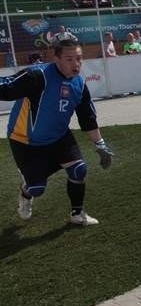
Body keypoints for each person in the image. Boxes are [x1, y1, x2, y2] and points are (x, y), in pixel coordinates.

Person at [0, 39, 115, 226]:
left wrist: (100, 145)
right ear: (56, 59)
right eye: (69, 59)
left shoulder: (79, 84)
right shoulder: (37, 76)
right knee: (36, 188)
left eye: (79, 58)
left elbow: (88, 118)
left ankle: (77, 214)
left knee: (79, 169)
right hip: (25, 141)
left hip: (59, 137)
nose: (76, 64)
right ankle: (26, 191)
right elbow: (5, 87)